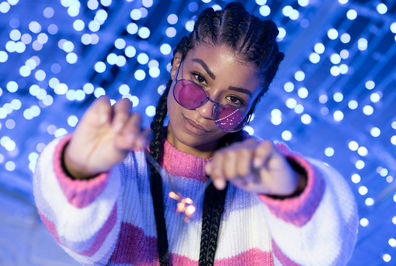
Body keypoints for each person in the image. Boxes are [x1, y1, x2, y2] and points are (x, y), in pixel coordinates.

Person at [33, 2, 358, 265]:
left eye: (234, 100)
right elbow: (81, 242)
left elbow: (322, 253)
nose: (206, 111)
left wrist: (291, 194)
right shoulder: (122, 163)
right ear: (176, 64)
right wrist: (80, 170)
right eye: (199, 80)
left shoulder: (267, 178)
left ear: (251, 107)